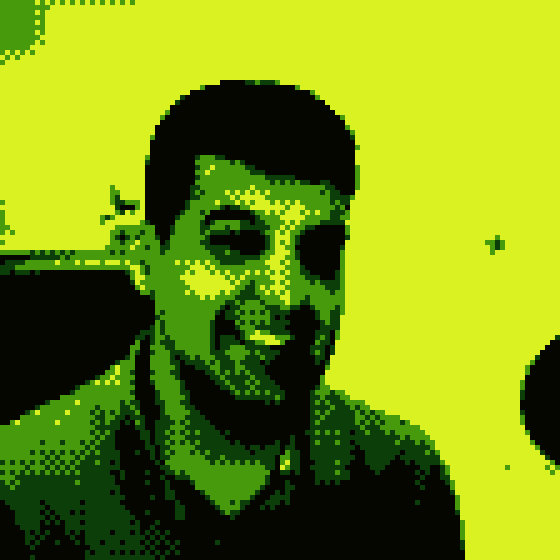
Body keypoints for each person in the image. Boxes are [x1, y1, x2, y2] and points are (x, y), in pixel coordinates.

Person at [0, 80, 465, 558]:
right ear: (143, 259)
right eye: (235, 242)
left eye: (319, 252)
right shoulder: (21, 493)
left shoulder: (404, 481)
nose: (287, 296)